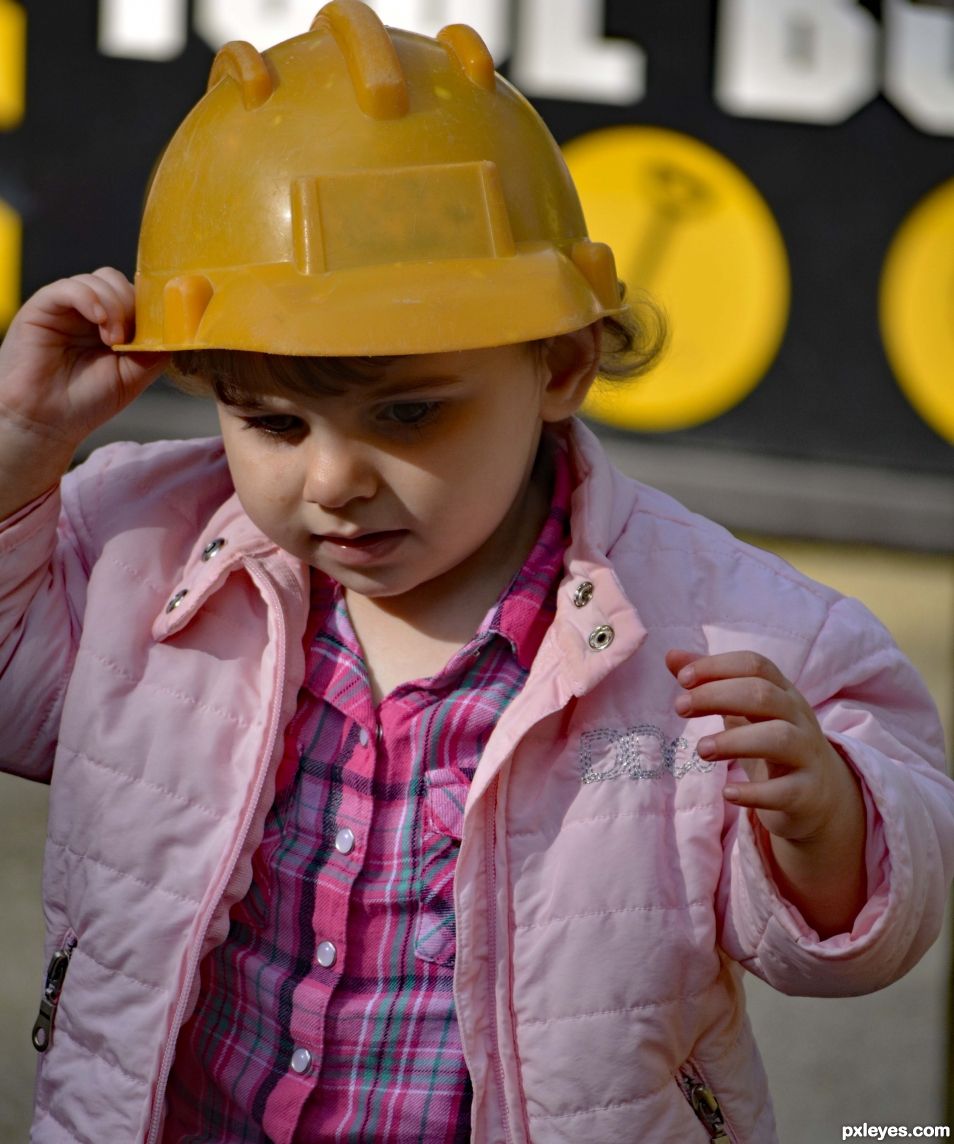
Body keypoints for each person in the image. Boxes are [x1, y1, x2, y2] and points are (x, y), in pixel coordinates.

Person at [1, 2, 951, 1141]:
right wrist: (19, 450)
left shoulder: (723, 632)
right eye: (271, 421)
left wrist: (828, 826)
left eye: (405, 412)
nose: (333, 480)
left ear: (560, 364)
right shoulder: (139, 551)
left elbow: (869, 923)